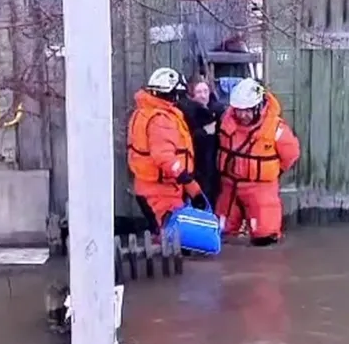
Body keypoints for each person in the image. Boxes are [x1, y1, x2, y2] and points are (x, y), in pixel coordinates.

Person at [215, 78, 300, 246]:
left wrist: (271, 171)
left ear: (258, 107)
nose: (242, 115)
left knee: (265, 237)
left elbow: (291, 155)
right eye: (239, 111)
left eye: (247, 111)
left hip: (260, 189)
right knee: (220, 234)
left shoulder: (276, 128)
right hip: (229, 187)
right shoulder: (226, 122)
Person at [127, 67, 209, 232]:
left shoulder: (144, 112)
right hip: (160, 191)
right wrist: (188, 181)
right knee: (174, 238)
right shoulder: (160, 119)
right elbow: (165, 158)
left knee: (170, 236)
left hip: (155, 187)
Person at [178, 77, 226, 207]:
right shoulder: (187, 113)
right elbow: (185, 138)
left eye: (205, 91)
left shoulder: (218, 110)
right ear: (191, 95)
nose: (203, 95)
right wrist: (204, 133)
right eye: (199, 92)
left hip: (214, 165)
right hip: (196, 164)